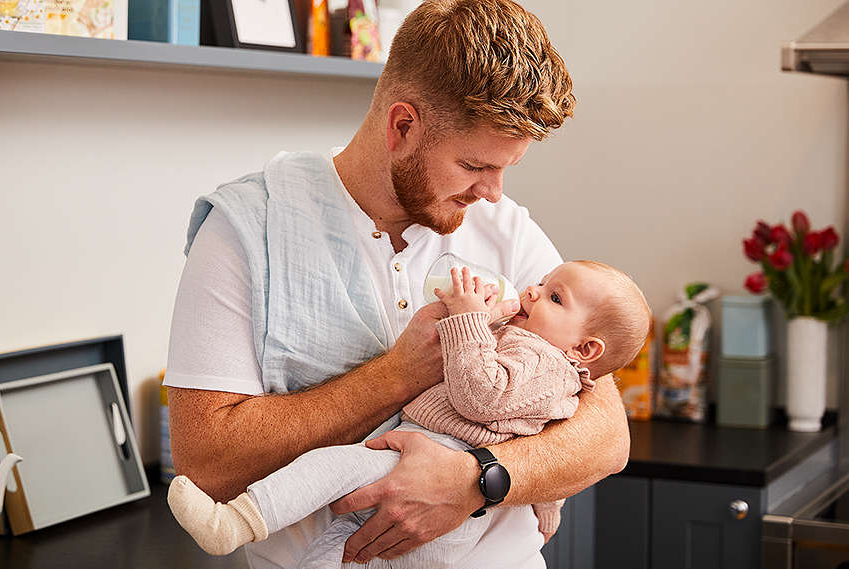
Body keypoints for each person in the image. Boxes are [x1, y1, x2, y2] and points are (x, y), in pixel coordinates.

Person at [163, 1, 631, 567]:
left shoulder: (508, 231)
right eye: (474, 166)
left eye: (506, 168)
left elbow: (607, 437)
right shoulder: (246, 230)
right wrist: (396, 376)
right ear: (403, 125)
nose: (493, 192)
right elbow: (207, 465)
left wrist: (474, 479)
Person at [168, 262, 652, 568]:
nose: (531, 292)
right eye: (542, 283)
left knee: (330, 467)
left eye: (554, 297)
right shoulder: (536, 348)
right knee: (337, 553)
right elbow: (548, 433)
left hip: (436, 460)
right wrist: (549, 504)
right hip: (422, 464)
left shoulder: (545, 362)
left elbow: (481, 397)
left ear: (586, 348)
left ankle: (233, 523)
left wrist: (467, 319)